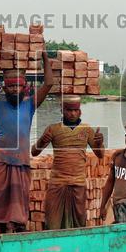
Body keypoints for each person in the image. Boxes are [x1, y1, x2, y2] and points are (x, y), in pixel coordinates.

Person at [0, 45, 53, 234]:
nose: (15, 89)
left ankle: (14, 238)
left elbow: (48, 83)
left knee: (17, 211)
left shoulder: (30, 105)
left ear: (25, 87)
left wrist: (45, 58)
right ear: (4, 87)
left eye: (19, 85)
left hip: (21, 163)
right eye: (11, 86)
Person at [31, 95, 104, 229]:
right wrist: (41, 141)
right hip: (57, 182)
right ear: (62, 110)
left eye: (75, 110)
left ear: (80, 111)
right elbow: (34, 152)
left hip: (78, 182)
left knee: (79, 222)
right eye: (69, 110)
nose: (72, 113)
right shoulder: (53, 129)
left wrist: (99, 143)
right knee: (52, 222)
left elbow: (100, 154)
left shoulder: (87, 130)